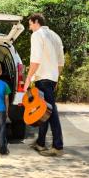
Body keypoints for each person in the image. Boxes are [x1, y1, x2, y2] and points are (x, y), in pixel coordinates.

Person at [24, 13, 65, 157]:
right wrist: (56, 78)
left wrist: (28, 78)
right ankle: (40, 142)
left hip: (43, 78)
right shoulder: (55, 36)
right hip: (52, 78)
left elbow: (35, 60)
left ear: (36, 22)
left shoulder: (37, 35)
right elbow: (61, 62)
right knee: (44, 111)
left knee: (51, 112)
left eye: (30, 24)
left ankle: (58, 146)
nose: (29, 28)